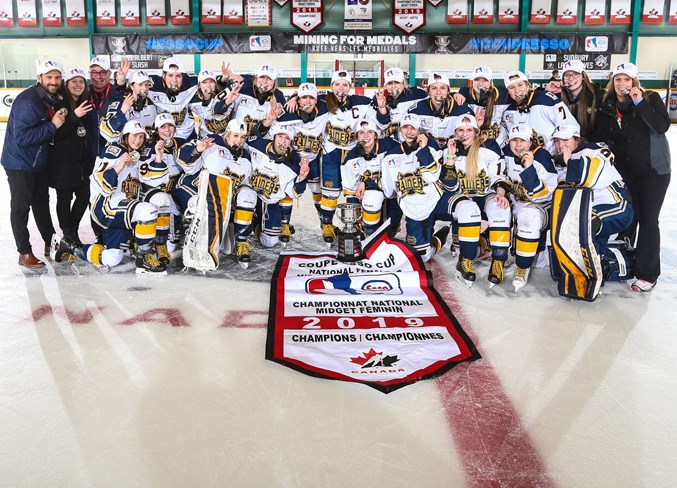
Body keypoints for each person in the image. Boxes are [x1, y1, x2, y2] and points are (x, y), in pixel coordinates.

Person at [52, 120, 172, 274]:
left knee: (112, 258)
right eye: (134, 136)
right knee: (147, 211)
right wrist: (118, 168)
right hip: (106, 206)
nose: (138, 140)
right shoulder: (113, 151)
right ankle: (144, 258)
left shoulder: (136, 155)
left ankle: (70, 247)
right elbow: (98, 181)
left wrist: (158, 158)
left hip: (122, 209)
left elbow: (153, 180)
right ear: (126, 136)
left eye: (141, 137)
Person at [596, 62, 671, 292]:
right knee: (628, 218)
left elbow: (661, 126)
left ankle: (647, 274)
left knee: (648, 221)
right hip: (625, 172)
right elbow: (600, 138)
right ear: (612, 82)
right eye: (618, 79)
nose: (622, 84)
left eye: (627, 80)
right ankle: (625, 262)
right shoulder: (607, 106)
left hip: (653, 172)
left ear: (634, 82)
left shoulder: (650, 99)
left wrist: (640, 102)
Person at [381, 114, 481, 277]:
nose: (409, 131)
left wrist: (423, 149)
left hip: (438, 201)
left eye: (413, 128)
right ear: (400, 130)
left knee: (469, 209)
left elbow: (432, 176)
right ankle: (441, 236)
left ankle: (466, 260)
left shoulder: (433, 147)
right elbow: (388, 191)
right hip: (416, 211)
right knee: (423, 256)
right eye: (405, 127)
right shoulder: (390, 157)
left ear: (420, 130)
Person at [1, 59, 64, 269]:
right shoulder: (28, 101)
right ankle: (24, 252)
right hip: (20, 163)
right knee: (21, 207)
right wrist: (53, 126)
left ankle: (50, 243)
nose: (53, 81)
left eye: (57, 77)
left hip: (37, 162)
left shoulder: (49, 97)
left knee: (41, 204)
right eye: (49, 77)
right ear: (39, 79)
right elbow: (22, 137)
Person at [177, 119, 255, 267]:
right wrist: (198, 150)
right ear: (227, 135)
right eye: (236, 136)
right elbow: (183, 159)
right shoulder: (211, 143)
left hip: (224, 203)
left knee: (248, 196)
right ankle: (193, 242)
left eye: (242, 137)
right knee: (197, 205)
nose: (239, 140)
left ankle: (241, 241)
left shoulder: (245, 157)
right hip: (200, 194)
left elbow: (244, 184)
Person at [257, 82, 330, 241]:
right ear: (298, 100)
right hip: (293, 159)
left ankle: (325, 224)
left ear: (316, 100)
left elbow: (335, 97)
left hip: (313, 158)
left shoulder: (324, 109)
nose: (308, 101)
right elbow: (265, 131)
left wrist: (295, 95)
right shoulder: (288, 114)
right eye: (304, 98)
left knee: (318, 191)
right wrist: (294, 98)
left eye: (311, 98)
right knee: (287, 189)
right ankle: (284, 223)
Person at [446, 114, 511, 286]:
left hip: (485, 196)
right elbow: (448, 184)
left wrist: (501, 194)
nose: (464, 134)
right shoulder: (449, 150)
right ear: (455, 132)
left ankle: (498, 260)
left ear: (476, 132)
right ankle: (465, 260)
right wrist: (450, 158)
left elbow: (499, 175)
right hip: (461, 201)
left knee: (501, 208)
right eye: (460, 130)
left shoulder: (488, 147)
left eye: (469, 130)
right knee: (470, 244)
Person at [552, 123, 633, 260]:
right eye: (557, 141)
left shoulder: (592, 150)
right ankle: (601, 265)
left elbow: (593, 175)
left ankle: (593, 276)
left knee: (585, 223)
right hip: (593, 210)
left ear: (577, 140)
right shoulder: (560, 163)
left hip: (617, 207)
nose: (560, 145)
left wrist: (570, 162)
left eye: (566, 140)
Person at [501, 124, 558, 291]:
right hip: (517, 204)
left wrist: (529, 168)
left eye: (522, 141)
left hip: (540, 205)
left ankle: (522, 267)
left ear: (530, 142)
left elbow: (543, 194)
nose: (518, 145)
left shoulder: (542, 157)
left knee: (527, 215)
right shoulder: (504, 154)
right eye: (514, 140)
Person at [48, 67, 96, 246]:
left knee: (84, 196)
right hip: (63, 163)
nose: (78, 85)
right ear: (66, 84)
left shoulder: (86, 103)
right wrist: (74, 117)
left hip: (82, 163)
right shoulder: (60, 105)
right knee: (64, 198)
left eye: (81, 81)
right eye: (74, 81)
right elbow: (57, 134)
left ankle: (71, 231)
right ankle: (68, 233)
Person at [246, 125, 310, 248]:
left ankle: (255, 221)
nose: (283, 141)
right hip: (249, 192)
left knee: (269, 242)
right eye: (280, 136)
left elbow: (294, 193)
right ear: (274, 137)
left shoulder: (294, 163)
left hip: (269, 201)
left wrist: (302, 177)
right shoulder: (257, 144)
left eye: (287, 138)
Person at [341, 120, 397, 236]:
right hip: (372, 195)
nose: (365, 136)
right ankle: (369, 234)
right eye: (361, 133)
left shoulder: (390, 146)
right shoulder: (350, 158)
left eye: (370, 132)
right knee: (372, 198)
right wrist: (356, 216)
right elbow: (350, 190)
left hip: (394, 194)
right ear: (356, 136)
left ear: (376, 135)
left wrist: (366, 183)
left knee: (392, 227)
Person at [502, 70, 579, 155]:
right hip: (526, 160)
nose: (517, 90)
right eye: (512, 87)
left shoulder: (545, 99)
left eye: (520, 85)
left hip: (553, 158)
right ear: (508, 91)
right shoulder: (507, 110)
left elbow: (570, 126)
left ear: (528, 85)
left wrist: (564, 152)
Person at [100, 70, 158, 144]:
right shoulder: (120, 103)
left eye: (146, 85)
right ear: (132, 86)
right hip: (121, 151)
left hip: (141, 151)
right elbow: (106, 133)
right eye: (140, 85)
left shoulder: (151, 106)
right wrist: (122, 112)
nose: (144, 88)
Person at [458, 66, 510, 146]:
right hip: (473, 147)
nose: (480, 83)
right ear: (472, 82)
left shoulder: (503, 95)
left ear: (491, 82)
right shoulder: (465, 95)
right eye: (477, 79)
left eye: (485, 80)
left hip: (498, 149)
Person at [559, 60, 604, 141]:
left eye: (576, 74)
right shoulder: (558, 97)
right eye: (567, 75)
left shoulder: (598, 96)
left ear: (583, 76)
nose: (571, 78)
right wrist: (546, 90)